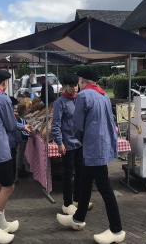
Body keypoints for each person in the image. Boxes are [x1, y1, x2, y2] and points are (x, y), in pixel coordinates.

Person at [56, 68, 125, 244]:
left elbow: (77, 125)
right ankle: (78, 219)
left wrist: (79, 139)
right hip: (101, 146)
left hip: (92, 147)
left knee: (105, 189)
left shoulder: (83, 96)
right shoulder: (103, 96)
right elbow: (110, 122)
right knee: (85, 184)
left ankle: (116, 230)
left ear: (81, 79)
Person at [0, 70, 32, 244]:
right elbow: (10, 124)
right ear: (4, 82)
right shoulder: (1, 98)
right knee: (8, 186)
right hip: (0, 148)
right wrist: (22, 127)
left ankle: (1, 223)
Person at [52, 74, 92, 215]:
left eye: (76, 85)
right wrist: (59, 142)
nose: (74, 88)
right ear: (65, 87)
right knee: (68, 173)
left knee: (81, 171)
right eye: (71, 86)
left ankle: (78, 198)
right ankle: (67, 202)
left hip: (80, 142)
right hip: (67, 143)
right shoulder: (60, 103)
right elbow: (56, 125)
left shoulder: (81, 99)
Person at [14, 104, 31, 178]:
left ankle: (21, 169)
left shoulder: (19, 118)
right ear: (24, 111)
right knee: (20, 155)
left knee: (21, 154)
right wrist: (30, 135)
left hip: (21, 138)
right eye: (26, 109)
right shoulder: (22, 120)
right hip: (22, 139)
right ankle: (19, 170)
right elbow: (23, 131)